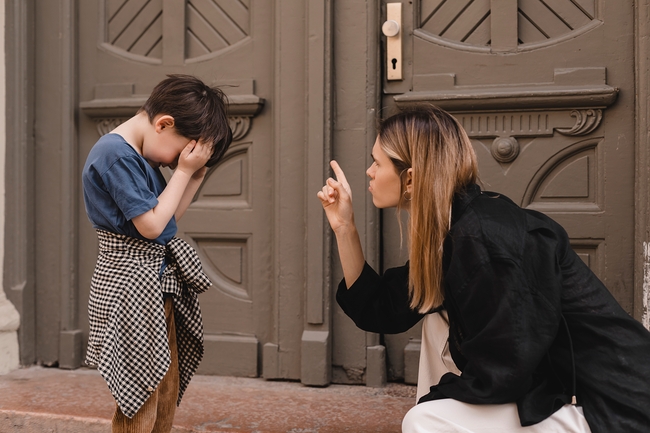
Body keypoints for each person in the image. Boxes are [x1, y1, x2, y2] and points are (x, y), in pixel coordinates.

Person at [317, 105, 650, 433]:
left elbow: (508, 367)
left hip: (607, 406)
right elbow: (385, 310)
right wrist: (344, 228)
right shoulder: (453, 229)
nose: (369, 172)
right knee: (435, 311)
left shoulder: (485, 239)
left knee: (424, 421)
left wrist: (433, 405)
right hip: (552, 389)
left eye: (378, 162)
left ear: (411, 178)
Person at [82, 74, 232, 433]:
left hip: (153, 282)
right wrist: (182, 171)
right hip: (129, 287)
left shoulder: (143, 155)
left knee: (166, 385)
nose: (175, 163)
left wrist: (193, 176)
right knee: (141, 392)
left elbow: (166, 222)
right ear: (164, 123)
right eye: (180, 152)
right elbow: (150, 227)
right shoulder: (115, 154)